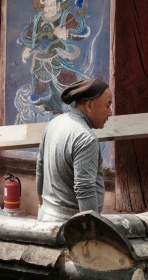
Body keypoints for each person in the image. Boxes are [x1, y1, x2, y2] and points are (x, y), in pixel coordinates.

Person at [35, 79, 113, 222]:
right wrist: (91, 228)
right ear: (89, 105)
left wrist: (42, 206)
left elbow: (40, 166)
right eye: (107, 105)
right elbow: (85, 188)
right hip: (69, 225)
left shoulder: (54, 123)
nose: (110, 112)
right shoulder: (86, 138)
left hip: (45, 215)